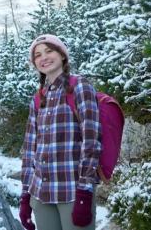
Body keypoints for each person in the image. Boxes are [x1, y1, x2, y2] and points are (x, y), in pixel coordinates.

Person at [19, 34, 101, 230]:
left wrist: (85, 191)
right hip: (41, 194)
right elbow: (30, 150)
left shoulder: (79, 86)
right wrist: (25, 196)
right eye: (37, 55)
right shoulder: (38, 98)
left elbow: (92, 141)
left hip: (72, 191)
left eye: (49, 51)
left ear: (62, 55)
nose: (43, 58)